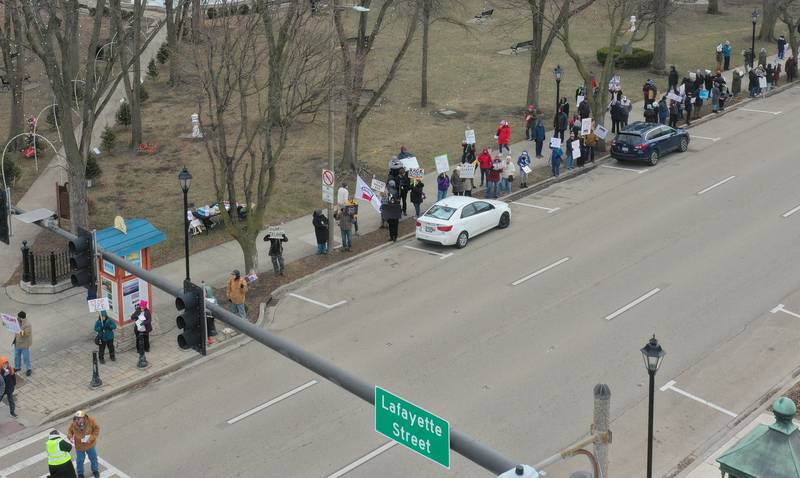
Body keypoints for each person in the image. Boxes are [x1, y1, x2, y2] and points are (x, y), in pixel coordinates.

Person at [68, 410, 101, 478]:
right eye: (76, 418)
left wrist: (91, 437)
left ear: (83, 418)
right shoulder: (73, 424)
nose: (77, 420)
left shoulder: (91, 421)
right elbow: (69, 432)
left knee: (93, 458)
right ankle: (80, 474)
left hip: (90, 445)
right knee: (79, 461)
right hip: (80, 447)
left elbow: (97, 429)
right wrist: (70, 437)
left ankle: (95, 470)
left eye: (78, 418)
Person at [13, 311, 32, 376]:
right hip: (17, 342)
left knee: (26, 357)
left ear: (21, 318)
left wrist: (19, 330)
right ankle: (17, 367)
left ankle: (28, 369)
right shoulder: (17, 322)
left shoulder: (27, 324)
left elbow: (26, 334)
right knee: (16, 356)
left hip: (24, 344)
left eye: (18, 317)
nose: (17, 318)